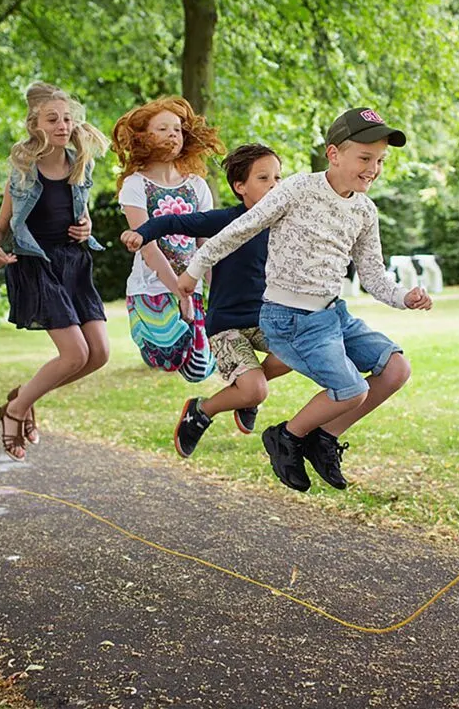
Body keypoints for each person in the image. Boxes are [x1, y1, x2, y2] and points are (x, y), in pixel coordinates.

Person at [179, 108, 432, 492]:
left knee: (396, 369)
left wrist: (403, 296)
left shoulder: (365, 210)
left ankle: (324, 438)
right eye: (365, 158)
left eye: (380, 161)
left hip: (332, 314)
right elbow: (241, 228)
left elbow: (373, 275)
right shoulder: (297, 189)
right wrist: (195, 268)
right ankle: (287, 437)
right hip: (289, 318)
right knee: (352, 390)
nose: (373, 169)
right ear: (334, 154)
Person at [120, 144, 292, 457]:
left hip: (265, 320)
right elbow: (173, 223)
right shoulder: (226, 220)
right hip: (226, 326)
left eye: (278, 178)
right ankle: (201, 411)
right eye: (264, 178)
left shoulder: (286, 224)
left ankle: (244, 393)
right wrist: (142, 234)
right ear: (240, 187)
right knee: (257, 390)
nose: (274, 185)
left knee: (301, 349)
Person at [0, 82, 110, 461]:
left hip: (74, 266)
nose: (62, 126)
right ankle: (15, 411)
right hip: (38, 267)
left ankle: (24, 396)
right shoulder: (23, 174)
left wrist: (86, 227)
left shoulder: (80, 165)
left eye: (67, 119)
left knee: (99, 354)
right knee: (75, 355)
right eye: (52, 119)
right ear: (35, 125)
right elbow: (0, 228)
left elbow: (80, 213)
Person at [114, 96, 224, 383]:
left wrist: (221, 291)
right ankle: (142, 322)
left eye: (177, 129)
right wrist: (179, 294)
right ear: (143, 138)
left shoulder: (197, 185)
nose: (172, 134)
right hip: (151, 287)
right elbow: (148, 248)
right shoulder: (135, 185)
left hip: (190, 284)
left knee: (199, 371)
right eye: (162, 129)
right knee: (168, 355)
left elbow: (204, 245)